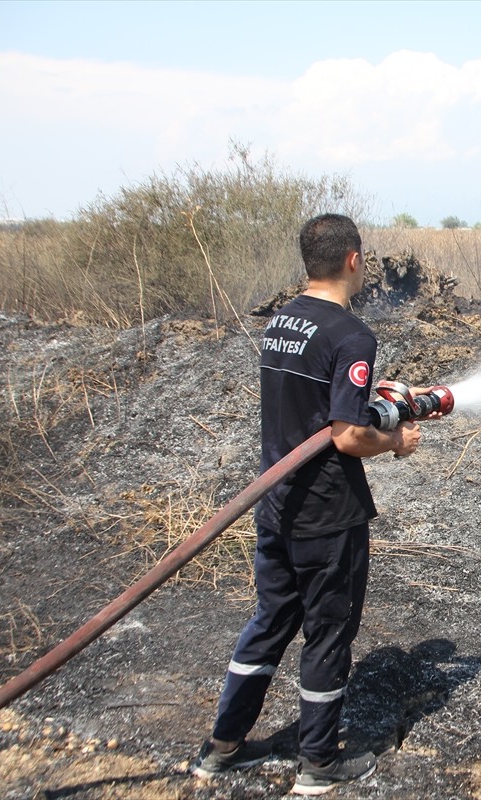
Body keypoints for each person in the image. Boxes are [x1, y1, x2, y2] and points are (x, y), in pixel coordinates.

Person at [191, 213, 427, 795]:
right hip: (326, 513)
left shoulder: (281, 321)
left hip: (275, 502)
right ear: (354, 259)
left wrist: (382, 403)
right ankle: (318, 765)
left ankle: (222, 748)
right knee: (327, 633)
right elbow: (347, 436)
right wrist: (395, 439)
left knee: (270, 621)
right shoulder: (351, 335)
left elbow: (315, 405)